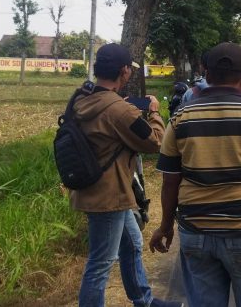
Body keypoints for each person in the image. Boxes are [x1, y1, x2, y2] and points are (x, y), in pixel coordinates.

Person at [150, 42, 241, 307]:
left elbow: (170, 181)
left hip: (195, 231)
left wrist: (166, 225)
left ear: (205, 72)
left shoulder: (179, 118)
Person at [69, 44, 181, 307]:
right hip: (108, 196)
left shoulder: (81, 98)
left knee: (132, 244)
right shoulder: (119, 110)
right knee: (100, 263)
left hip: (94, 188)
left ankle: (144, 300)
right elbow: (154, 142)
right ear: (124, 72)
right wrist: (153, 112)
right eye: (130, 68)